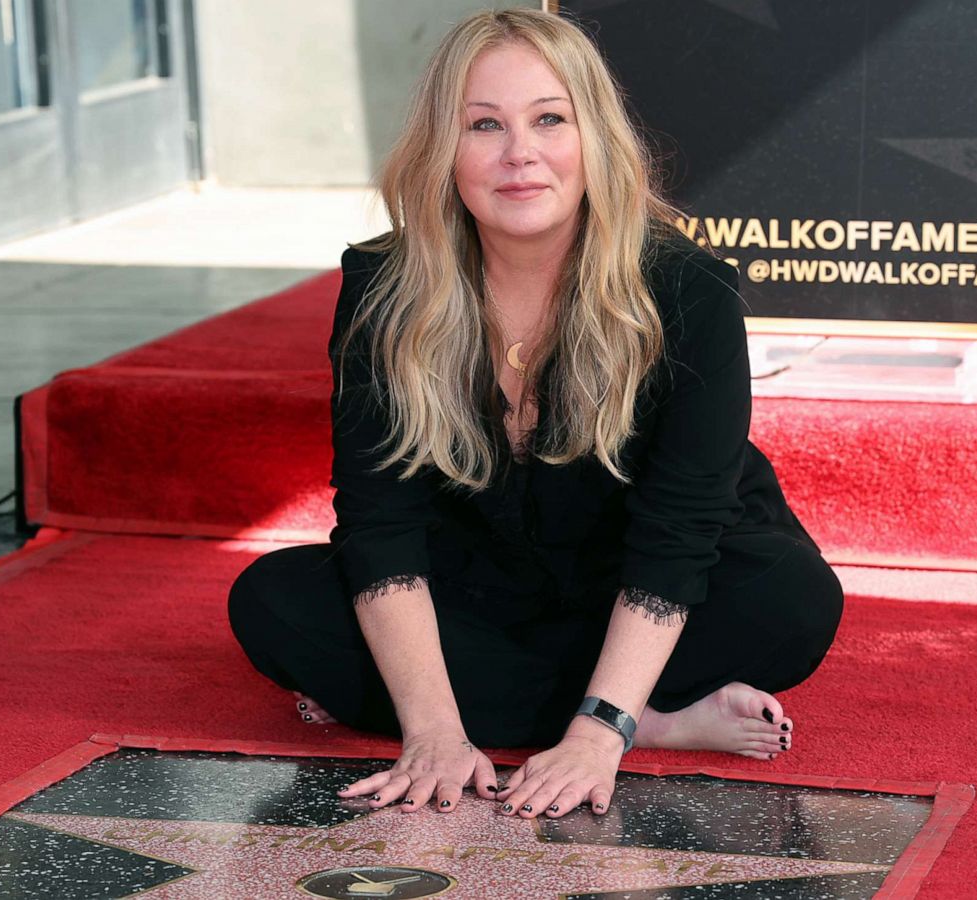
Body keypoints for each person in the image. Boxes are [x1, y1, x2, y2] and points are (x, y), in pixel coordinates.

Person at [228, 8, 842, 823]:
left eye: (549, 119)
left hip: (645, 573)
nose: (520, 154)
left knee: (794, 601)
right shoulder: (384, 287)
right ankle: (650, 721)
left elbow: (678, 533)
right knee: (270, 603)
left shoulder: (690, 289)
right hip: (477, 575)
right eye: (484, 125)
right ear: (443, 149)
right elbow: (379, 523)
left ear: (594, 135)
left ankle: (602, 716)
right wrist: (432, 730)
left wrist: (597, 731)